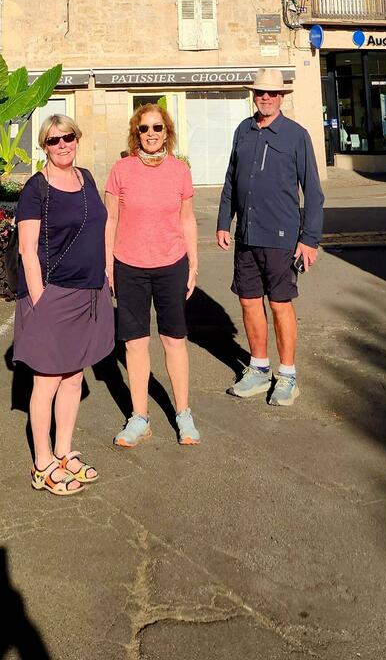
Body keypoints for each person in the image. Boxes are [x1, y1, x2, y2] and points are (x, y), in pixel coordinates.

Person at [14, 116, 114, 495]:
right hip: (53, 295)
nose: (62, 145)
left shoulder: (86, 178)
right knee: (48, 380)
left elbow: (99, 228)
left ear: (77, 139)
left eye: (68, 137)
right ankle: (42, 464)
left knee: (73, 377)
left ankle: (64, 451)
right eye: (54, 140)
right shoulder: (36, 189)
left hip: (89, 292)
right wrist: (41, 303)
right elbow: (27, 250)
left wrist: (104, 275)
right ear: (44, 145)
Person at [216, 68, 324, 407]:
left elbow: (314, 192)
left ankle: (287, 375)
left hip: (282, 236)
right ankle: (259, 369)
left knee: (279, 305)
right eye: (260, 92)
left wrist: (309, 239)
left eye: (272, 93)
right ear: (254, 94)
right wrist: (223, 222)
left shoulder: (296, 135)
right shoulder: (243, 131)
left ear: (281, 98)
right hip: (247, 235)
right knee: (248, 302)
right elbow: (231, 180)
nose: (265, 97)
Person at [104, 104, 200, 447]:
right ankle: (140, 417)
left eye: (157, 128)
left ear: (167, 132)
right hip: (129, 266)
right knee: (135, 343)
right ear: (136, 132)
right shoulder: (121, 170)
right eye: (144, 128)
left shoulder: (179, 172)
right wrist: (109, 266)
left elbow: (187, 219)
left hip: (171, 264)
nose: (151, 134)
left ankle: (183, 414)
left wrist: (193, 264)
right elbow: (110, 221)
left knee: (174, 340)